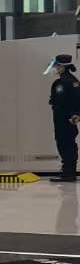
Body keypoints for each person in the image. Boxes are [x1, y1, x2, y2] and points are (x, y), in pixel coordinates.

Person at [48, 53, 80, 183]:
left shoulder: (63, 82)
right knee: (69, 144)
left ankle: (68, 173)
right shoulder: (73, 80)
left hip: (63, 118)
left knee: (64, 144)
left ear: (62, 66)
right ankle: (69, 172)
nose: (55, 68)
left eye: (56, 66)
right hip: (70, 118)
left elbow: (60, 101)